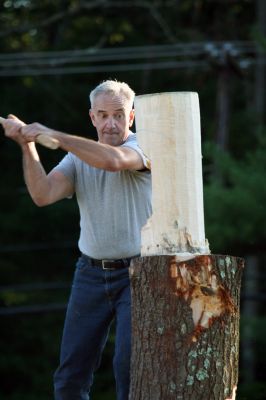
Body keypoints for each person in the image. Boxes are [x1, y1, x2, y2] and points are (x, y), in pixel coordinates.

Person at [2, 80, 152, 400]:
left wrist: (55, 136)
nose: (110, 123)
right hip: (90, 274)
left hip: (138, 274)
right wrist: (27, 145)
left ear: (132, 117)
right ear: (92, 118)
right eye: (102, 115)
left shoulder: (142, 147)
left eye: (118, 114)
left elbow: (112, 161)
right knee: (70, 375)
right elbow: (43, 194)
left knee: (128, 368)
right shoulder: (77, 158)